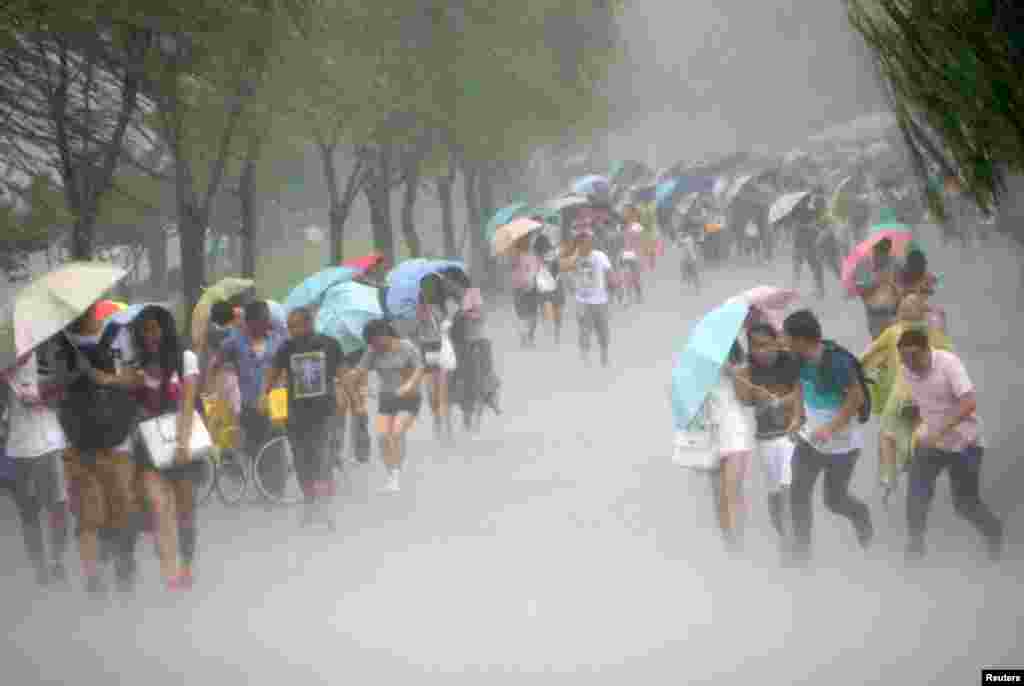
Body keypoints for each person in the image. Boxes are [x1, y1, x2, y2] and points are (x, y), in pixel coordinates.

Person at [897, 329, 1004, 562]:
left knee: (965, 505)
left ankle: (994, 531)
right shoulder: (906, 369)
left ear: (927, 350)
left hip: (966, 444)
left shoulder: (949, 364)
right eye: (904, 358)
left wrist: (939, 430)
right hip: (931, 445)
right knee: (916, 494)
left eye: (914, 357)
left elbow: (969, 402)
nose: (909, 364)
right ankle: (915, 549)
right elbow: (922, 405)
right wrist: (908, 440)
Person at [61, 302, 143, 595]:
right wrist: (75, 373)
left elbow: (137, 379)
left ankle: (124, 563)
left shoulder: (120, 334)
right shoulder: (59, 343)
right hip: (78, 443)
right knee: (87, 514)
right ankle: (93, 579)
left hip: (118, 440)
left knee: (123, 505)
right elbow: (51, 388)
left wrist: (104, 377)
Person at [783, 310, 874, 565]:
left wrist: (830, 428)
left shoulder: (837, 362)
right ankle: (802, 554)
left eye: (787, 336)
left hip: (842, 446)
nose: (784, 341)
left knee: (834, 501)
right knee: (798, 493)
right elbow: (798, 385)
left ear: (802, 339)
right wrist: (797, 417)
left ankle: (861, 516)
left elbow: (855, 398)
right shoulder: (797, 359)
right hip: (810, 441)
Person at [128, 305, 203, 590]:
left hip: (181, 445)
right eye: (145, 330)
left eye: (155, 328)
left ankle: (185, 566)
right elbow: (133, 409)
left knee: (185, 510)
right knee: (159, 507)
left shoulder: (185, 359)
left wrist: (183, 443)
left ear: (165, 328)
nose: (150, 335)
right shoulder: (137, 367)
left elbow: (187, 402)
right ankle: (169, 569)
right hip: (150, 449)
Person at [860, 294, 953, 500]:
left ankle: (889, 476)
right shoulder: (931, 334)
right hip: (920, 396)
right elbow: (950, 359)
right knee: (915, 437)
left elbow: (868, 356)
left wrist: (860, 372)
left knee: (889, 434)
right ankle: (908, 471)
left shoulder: (895, 332)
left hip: (907, 395)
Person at [264, 307, 344, 530]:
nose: (291, 330)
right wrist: (267, 399)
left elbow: (343, 373)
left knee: (322, 459)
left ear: (309, 324)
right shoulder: (286, 348)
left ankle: (324, 508)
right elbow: (272, 376)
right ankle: (310, 504)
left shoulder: (330, 345)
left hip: (324, 412)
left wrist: (354, 399)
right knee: (301, 461)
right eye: (289, 326)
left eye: (295, 325)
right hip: (296, 415)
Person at [1, 339, 70, 587]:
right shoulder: (4, 359)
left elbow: (63, 389)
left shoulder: (48, 351)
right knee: (28, 514)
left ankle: (57, 560)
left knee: (58, 507)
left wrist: (41, 397)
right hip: (18, 447)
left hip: (50, 443)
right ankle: (39, 567)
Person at [733, 325, 803, 553]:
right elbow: (744, 400)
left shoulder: (791, 363)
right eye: (754, 346)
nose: (759, 350)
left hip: (792, 435)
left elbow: (802, 394)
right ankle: (787, 537)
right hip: (765, 438)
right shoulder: (748, 371)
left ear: (776, 342)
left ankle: (796, 544)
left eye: (764, 344)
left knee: (787, 490)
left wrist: (782, 402)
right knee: (775, 496)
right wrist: (740, 376)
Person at [210, 300, 286, 502]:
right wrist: (213, 387)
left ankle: (274, 491)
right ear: (249, 322)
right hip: (249, 402)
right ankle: (248, 480)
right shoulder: (234, 343)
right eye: (260, 321)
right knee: (251, 445)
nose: (264, 325)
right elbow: (216, 364)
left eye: (266, 320)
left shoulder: (278, 340)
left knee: (275, 445)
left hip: (276, 400)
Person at [347, 319, 425, 495]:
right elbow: (360, 370)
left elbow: (420, 368)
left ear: (385, 335)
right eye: (371, 344)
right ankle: (392, 474)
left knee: (396, 432)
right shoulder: (372, 350)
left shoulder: (406, 347)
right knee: (382, 438)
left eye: (376, 342)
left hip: (409, 397)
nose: (375, 347)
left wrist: (409, 384)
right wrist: (346, 377)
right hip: (387, 398)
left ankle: (396, 477)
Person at [559, 227, 613, 367]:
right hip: (582, 302)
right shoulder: (574, 258)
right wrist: (573, 257)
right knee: (584, 330)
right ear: (579, 244)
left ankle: (604, 354)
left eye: (590, 242)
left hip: (601, 301)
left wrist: (613, 288)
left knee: (603, 331)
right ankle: (585, 359)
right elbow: (563, 269)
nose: (588, 245)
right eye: (584, 243)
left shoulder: (600, 256)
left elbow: (609, 273)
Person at [854, 237, 902, 341]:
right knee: (880, 345)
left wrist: (895, 287)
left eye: (885, 254)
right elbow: (861, 291)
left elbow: (903, 288)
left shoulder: (896, 264)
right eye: (878, 253)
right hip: (875, 316)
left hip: (894, 313)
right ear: (874, 250)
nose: (880, 258)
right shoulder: (864, 266)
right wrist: (877, 282)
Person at [790, 195, 826, 298]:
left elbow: (794, 225)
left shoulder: (795, 211)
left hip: (800, 242)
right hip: (811, 242)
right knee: (815, 266)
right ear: (809, 200)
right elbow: (819, 225)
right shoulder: (813, 211)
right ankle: (820, 290)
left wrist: (802, 226)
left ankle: (795, 289)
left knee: (797, 266)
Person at [533, 232, 565, 343]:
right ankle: (556, 335)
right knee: (557, 311)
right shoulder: (553, 254)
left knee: (546, 311)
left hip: (544, 287)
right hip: (555, 286)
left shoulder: (536, 257)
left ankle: (550, 332)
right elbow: (559, 269)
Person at [510, 233, 542, 348]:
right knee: (522, 315)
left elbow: (538, 269)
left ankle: (530, 337)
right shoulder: (515, 254)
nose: (528, 242)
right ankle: (524, 338)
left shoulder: (534, 255)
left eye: (529, 240)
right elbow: (512, 267)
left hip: (533, 287)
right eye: (525, 240)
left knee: (533, 315)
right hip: (519, 288)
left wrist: (534, 279)